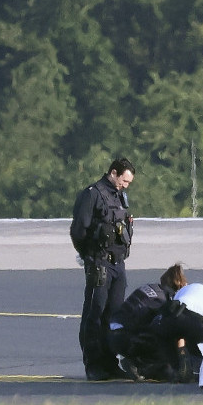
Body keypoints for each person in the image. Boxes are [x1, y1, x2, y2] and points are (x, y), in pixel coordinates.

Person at [70, 158, 135, 381]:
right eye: (124, 180)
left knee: (114, 315)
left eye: (128, 182)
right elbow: (78, 230)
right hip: (100, 263)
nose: (126, 185)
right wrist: (90, 258)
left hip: (118, 264)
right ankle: (94, 364)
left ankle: (110, 362)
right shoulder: (92, 194)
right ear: (113, 173)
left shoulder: (118, 195)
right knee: (94, 315)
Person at [120, 282, 203, 383]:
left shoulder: (185, 290)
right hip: (200, 325)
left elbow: (175, 317)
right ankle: (189, 369)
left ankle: (138, 361)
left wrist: (179, 350)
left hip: (174, 316)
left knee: (162, 339)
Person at [106, 263, 188, 366]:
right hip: (126, 338)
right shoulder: (162, 300)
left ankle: (132, 358)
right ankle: (138, 363)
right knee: (165, 344)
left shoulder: (151, 288)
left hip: (112, 334)